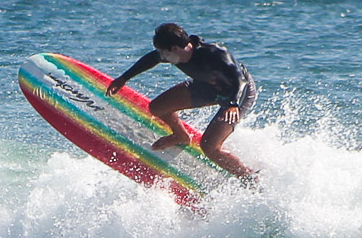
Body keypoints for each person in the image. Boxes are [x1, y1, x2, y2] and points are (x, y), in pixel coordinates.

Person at [106, 23, 258, 182]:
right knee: (158, 107)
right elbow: (151, 58)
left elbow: (239, 79)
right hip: (207, 86)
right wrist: (124, 78)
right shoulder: (175, 53)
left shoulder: (214, 54)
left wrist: (233, 103)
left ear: (175, 49)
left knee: (209, 147)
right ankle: (180, 135)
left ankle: (248, 177)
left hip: (238, 92)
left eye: (162, 52)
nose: (160, 55)